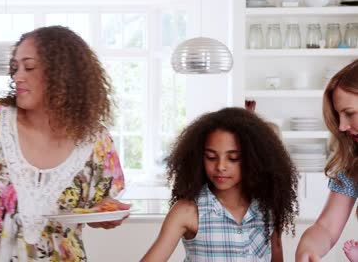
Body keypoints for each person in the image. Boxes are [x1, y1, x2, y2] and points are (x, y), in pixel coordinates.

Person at [0, 26, 130, 261]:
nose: (17, 76)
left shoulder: (96, 142)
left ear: (63, 74)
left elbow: (98, 210)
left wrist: (107, 214)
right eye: (15, 68)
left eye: (29, 67)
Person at [141, 107, 299, 261]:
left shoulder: (268, 208)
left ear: (254, 159)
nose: (220, 167)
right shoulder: (187, 211)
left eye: (233, 158)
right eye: (211, 157)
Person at [296, 59, 358, 262]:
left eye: (349, 114)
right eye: (338, 115)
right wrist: (308, 249)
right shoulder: (353, 167)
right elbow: (325, 228)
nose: (341, 126)